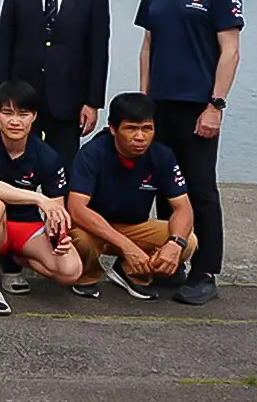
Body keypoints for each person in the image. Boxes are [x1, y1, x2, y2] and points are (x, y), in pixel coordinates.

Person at [136, 0, 243, 306]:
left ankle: (206, 271)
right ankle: (173, 263)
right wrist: (143, 101)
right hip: (159, 105)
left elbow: (230, 51)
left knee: (199, 188)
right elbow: (148, 48)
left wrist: (216, 104)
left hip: (199, 105)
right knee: (164, 186)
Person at [0, 0, 110, 172]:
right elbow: (4, 46)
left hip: (69, 99)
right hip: (21, 100)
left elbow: (98, 51)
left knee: (64, 170)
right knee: (17, 169)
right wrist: (0, 98)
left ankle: (61, 213)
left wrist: (92, 102)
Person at [0, 81, 82, 316]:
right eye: (7, 113)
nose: (15, 121)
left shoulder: (47, 155)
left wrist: (60, 236)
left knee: (70, 271)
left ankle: (13, 258)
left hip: (25, 227)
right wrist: (38, 199)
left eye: (23, 114)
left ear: (34, 116)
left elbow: (56, 207)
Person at [67, 93, 198, 301]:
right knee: (80, 239)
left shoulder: (162, 155)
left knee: (188, 241)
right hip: (93, 227)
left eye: (147, 129)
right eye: (131, 129)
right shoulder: (92, 153)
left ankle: (133, 272)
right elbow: (77, 209)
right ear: (112, 128)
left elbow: (183, 208)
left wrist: (175, 244)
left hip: (133, 226)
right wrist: (127, 247)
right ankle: (87, 276)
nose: (140, 137)